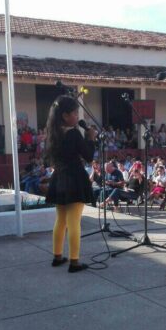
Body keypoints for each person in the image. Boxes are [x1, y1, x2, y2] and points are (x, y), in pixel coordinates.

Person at [45, 95, 96, 273]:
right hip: (74, 179)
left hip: (59, 178)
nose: (77, 116)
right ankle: (74, 262)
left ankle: (57, 256)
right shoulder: (73, 133)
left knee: (60, 220)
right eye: (75, 113)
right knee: (74, 221)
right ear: (65, 115)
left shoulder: (53, 132)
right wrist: (90, 138)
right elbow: (89, 156)